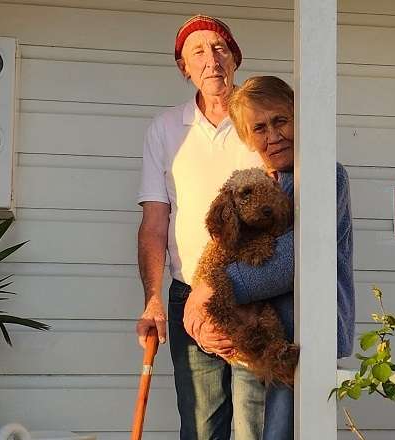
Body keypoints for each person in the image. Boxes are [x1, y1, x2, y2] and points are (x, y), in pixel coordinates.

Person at [183, 75, 355, 440]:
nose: (273, 136)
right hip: (261, 339)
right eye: (259, 128)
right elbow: (225, 248)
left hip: (303, 339)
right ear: (247, 137)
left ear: (299, 117)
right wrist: (203, 302)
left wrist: (210, 291)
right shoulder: (265, 183)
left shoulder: (324, 177)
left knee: (280, 432)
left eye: (281, 121)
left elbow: (293, 261)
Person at [135, 15, 266, 440]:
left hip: (255, 292)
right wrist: (153, 301)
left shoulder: (261, 124)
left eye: (220, 48)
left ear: (235, 59)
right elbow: (155, 224)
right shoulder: (165, 129)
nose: (212, 60)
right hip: (188, 297)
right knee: (201, 428)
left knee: (255, 428)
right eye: (198, 52)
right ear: (183, 67)